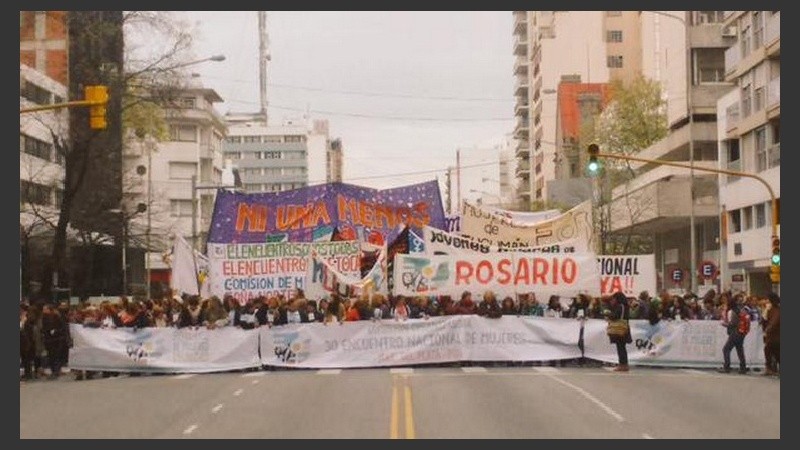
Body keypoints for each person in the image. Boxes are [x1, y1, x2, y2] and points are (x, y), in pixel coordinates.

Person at [718, 295, 748, 374]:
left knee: (726, 349)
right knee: (740, 350)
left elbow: (733, 323)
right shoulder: (741, 310)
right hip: (741, 332)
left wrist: (725, 324)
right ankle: (743, 367)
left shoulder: (733, 311)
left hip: (735, 332)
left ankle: (727, 367)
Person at [607, 292, 632, 372]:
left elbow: (615, 316)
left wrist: (609, 315)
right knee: (622, 347)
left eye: (614, 298)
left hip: (620, 329)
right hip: (624, 328)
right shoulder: (625, 306)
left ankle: (622, 364)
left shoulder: (620, 306)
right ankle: (624, 364)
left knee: (620, 347)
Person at [761, 293, 780, 376]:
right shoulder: (769, 310)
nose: (766, 301)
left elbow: (774, 322)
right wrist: (765, 313)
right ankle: (770, 368)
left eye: (767, 300)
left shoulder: (777, 310)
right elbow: (764, 322)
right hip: (771, 336)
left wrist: (767, 330)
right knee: (771, 351)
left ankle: (770, 368)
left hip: (776, 335)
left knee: (773, 351)